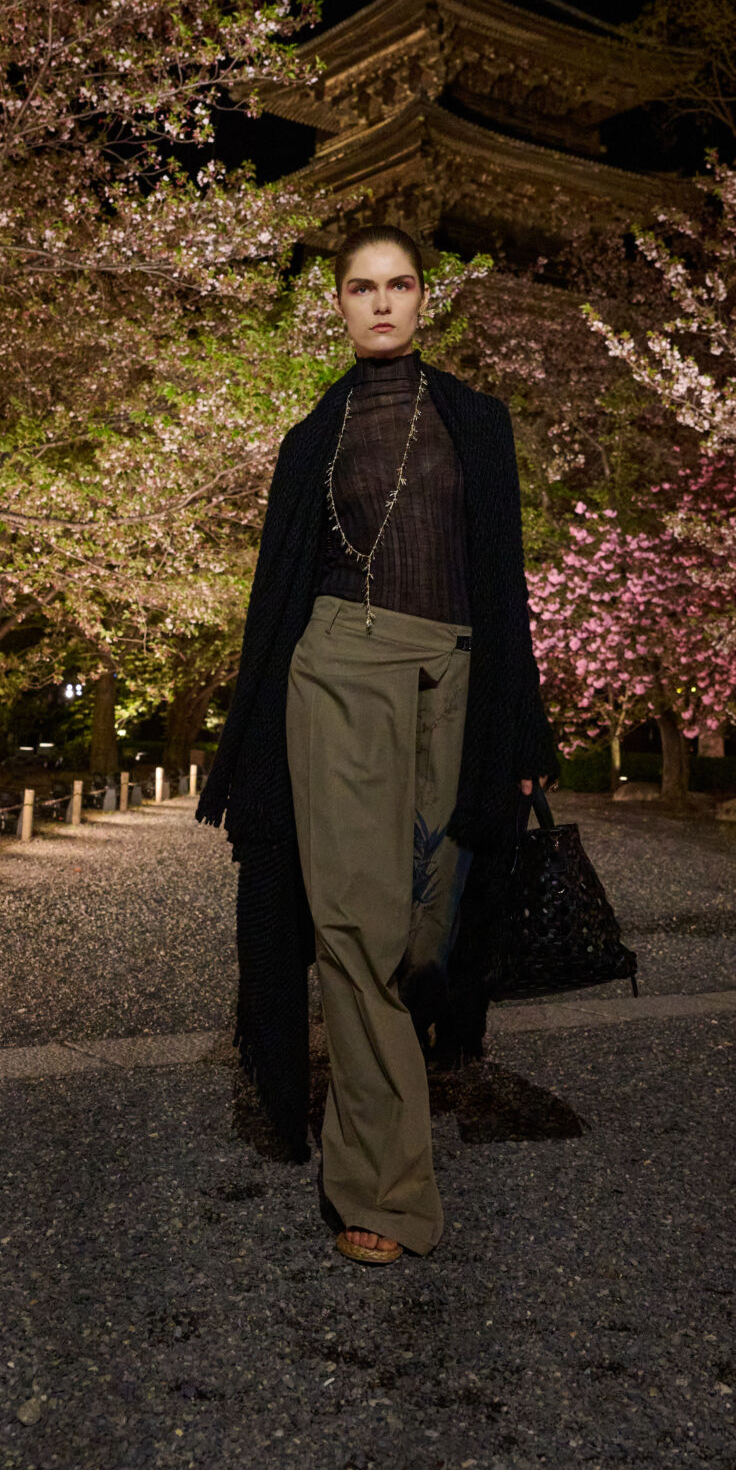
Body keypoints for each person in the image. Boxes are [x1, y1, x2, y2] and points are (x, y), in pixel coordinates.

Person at [197, 223, 559, 1267]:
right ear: (340, 306)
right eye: (362, 287)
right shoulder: (312, 437)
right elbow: (276, 595)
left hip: (458, 669)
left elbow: (504, 582)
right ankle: (384, 1184)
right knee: (355, 924)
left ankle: (400, 1072)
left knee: (424, 930)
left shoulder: (477, 420)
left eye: (400, 284)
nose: (383, 302)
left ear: (425, 300)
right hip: (342, 666)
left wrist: (522, 722)